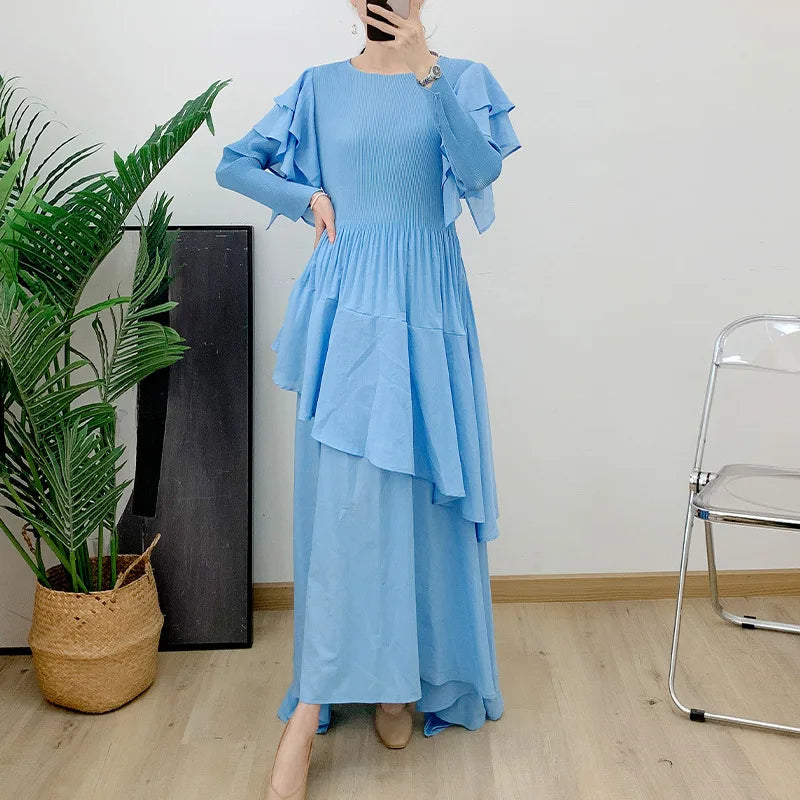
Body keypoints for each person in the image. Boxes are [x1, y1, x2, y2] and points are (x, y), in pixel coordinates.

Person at [215, 1, 521, 797]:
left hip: (429, 298)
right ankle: (309, 707)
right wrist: (305, 200)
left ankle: (400, 680)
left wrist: (427, 73)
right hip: (348, 298)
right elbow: (235, 164)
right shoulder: (319, 87)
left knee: (418, 493)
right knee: (347, 500)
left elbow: (480, 173)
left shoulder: (460, 78)